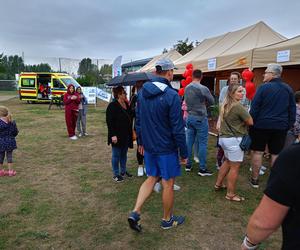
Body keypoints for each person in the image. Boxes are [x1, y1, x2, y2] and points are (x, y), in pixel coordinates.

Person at [128, 58, 187, 232]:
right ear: (169, 73)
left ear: (155, 72)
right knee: (168, 183)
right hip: (166, 147)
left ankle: (135, 211)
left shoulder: (141, 93)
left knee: (152, 178)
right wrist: (184, 153)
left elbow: (138, 120)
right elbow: (177, 128)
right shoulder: (171, 95)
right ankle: (167, 220)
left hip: (150, 146)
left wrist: (141, 141)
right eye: (172, 72)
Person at [241, 143, 300, 250]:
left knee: (259, 152)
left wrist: (248, 244)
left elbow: (264, 223)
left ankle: (255, 179)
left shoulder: (294, 156)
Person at [249, 63, 296, 188]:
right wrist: (288, 125)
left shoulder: (263, 88)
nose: (264, 74)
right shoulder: (288, 89)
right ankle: (273, 181)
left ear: (273, 74)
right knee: (276, 154)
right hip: (280, 127)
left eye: (266, 72)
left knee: (258, 152)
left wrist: (251, 123)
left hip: (261, 125)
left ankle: (255, 180)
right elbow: (292, 110)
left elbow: (254, 108)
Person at [214, 85, 253, 202]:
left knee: (227, 161)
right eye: (239, 91)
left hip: (224, 139)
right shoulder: (238, 106)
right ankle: (230, 194)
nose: (242, 93)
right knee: (235, 167)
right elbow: (250, 122)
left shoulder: (224, 104)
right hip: (234, 140)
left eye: (243, 91)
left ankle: (218, 184)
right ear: (232, 93)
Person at [184, 69, 215, 176]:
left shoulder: (187, 88)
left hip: (189, 117)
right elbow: (212, 101)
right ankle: (202, 168)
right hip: (200, 117)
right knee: (202, 143)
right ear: (201, 77)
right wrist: (203, 102)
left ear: (192, 76)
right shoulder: (203, 88)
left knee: (189, 142)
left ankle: (188, 165)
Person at [106, 86, 133, 182]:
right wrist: (113, 135)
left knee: (124, 154)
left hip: (126, 134)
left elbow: (131, 115)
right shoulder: (112, 105)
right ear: (119, 95)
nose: (125, 94)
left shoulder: (126, 103)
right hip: (116, 135)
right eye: (124, 93)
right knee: (116, 155)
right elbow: (109, 122)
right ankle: (116, 174)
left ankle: (123, 171)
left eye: (125, 92)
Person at [129, 83, 145, 177]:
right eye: (138, 87)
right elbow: (131, 114)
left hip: (149, 126)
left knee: (149, 146)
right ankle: (140, 166)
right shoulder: (135, 98)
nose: (140, 89)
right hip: (138, 126)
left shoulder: (149, 97)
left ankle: (147, 165)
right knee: (140, 146)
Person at [0, 106, 19, 177]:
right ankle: (10, 171)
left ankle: (1, 171)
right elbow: (15, 132)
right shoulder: (12, 121)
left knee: (0, 156)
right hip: (10, 141)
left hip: (1, 142)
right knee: (9, 156)